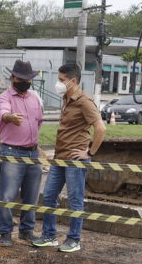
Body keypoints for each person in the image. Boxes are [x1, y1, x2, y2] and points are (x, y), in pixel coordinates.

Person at [33, 63, 106, 253]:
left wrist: (89, 153)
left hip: (75, 159)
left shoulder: (84, 101)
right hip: (59, 158)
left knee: (75, 200)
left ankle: (74, 239)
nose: (58, 83)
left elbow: (101, 128)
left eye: (61, 80)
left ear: (73, 81)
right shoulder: (66, 98)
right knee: (49, 196)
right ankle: (49, 235)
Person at [0, 59, 45, 246]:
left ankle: (26, 231)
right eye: (21, 78)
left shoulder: (34, 98)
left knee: (31, 195)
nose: (25, 82)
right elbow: (3, 113)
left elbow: (39, 121)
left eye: (27, 79)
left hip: (32, 153)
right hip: (12, 152)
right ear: (13, 78)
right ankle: (5, 233)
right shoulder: (5, 97)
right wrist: (10, 118)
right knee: (7, 195)